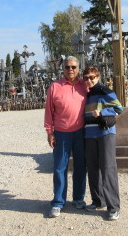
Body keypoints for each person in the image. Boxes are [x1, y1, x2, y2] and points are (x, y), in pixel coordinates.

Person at [44, 56, 88, 218]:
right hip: (62, 132)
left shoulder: (85, 85)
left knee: (81, 166)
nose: (70, 70)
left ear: (78, 68)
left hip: (81, 131)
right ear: (62, 69)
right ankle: (58, 201)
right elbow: (49, 110)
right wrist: (49, 131)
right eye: (67, 67)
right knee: (59, 168)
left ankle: (78, 198)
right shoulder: (55, 86)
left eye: (73, 67)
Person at [82, 66, 124, 221]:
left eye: (92, 77)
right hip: (89, 133)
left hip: (105, 132)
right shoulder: (85, 94)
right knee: (92, 168)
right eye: (86, 77)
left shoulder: (105, 90)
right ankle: (98, 200)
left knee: (108, 168)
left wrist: (103, 113)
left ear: (98, 77)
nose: (89, 80)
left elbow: (119, 108)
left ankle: (113, 206)